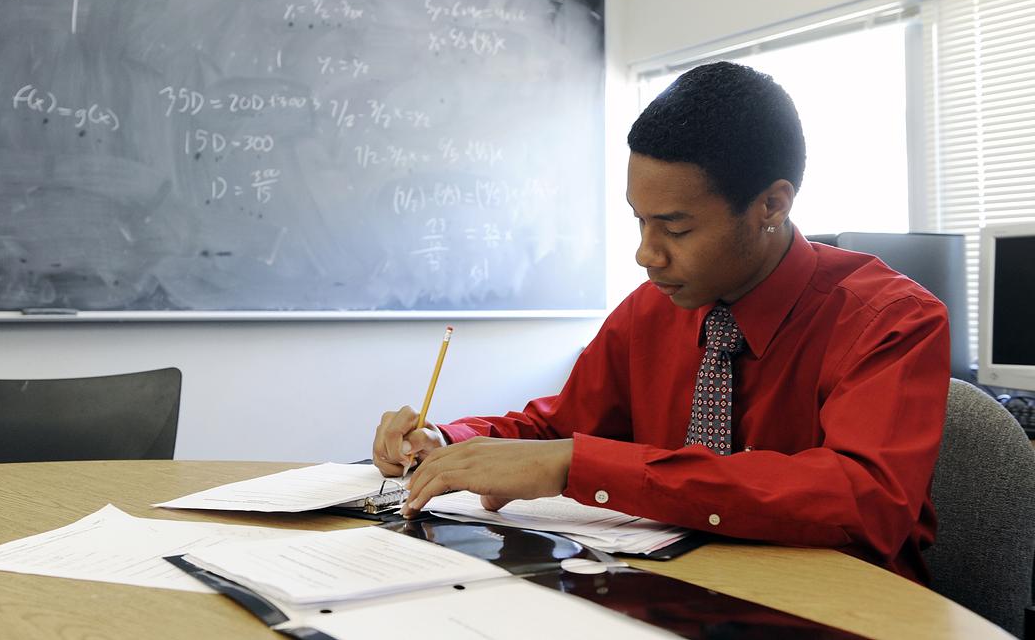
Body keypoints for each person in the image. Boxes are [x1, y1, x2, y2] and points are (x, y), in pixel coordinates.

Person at [372, 61, 951, 584]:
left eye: (675, 229)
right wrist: (448, 442)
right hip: (668, 595)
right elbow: (561, 428)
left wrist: (583, 466)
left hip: (834, 607)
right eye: (639, 222)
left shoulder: (891, 321)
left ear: (771, 205)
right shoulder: (651, 308)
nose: (647, 254)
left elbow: (862, 498)